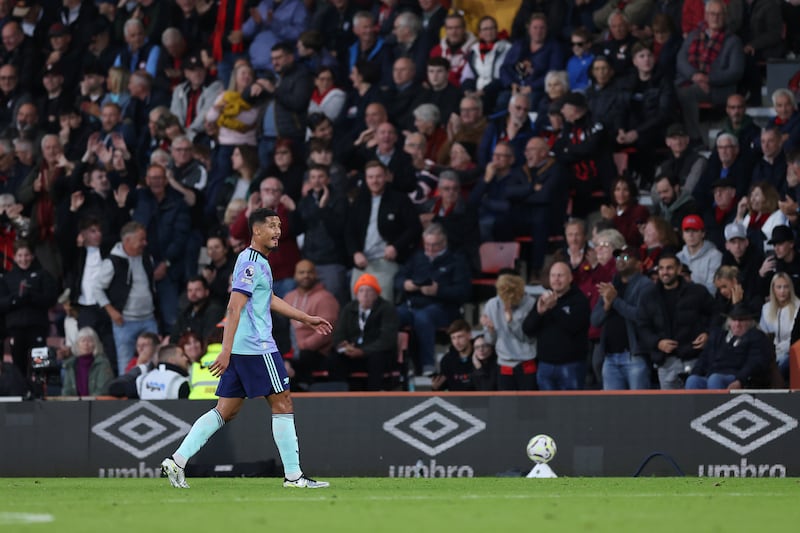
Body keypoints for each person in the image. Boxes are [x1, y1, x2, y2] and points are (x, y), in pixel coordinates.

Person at [161, 207, 332, 490]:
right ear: (257, 231)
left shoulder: (255, 261)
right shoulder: (251, 263)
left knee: (225, 411)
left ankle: (177, 460)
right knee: (283, 402)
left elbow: (268, 299)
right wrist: (225, 351)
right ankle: (293, 476)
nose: (278, 231)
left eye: (279, 226)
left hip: (244, 349)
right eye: (272, 226)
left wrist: (305, 318)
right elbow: (234, 305)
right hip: (257, 347)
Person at [395, 224, 472, 375]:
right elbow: (398, 278)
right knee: (391, 315)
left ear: (444, 243)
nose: (430, 249)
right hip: (412, 305)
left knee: (423, 317)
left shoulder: (456, 260)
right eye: (427, 244)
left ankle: (428, 365)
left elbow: (464, 292)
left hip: (442, 308)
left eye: (434, 245)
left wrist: (439, 291)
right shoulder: (417, 257)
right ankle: (396, 365)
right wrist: (406, 284)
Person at [638, 251, 714, 389]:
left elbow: (716, 316)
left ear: (679, 270)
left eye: (669, 268)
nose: (665, 272)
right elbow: (642, 327)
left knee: (697, 407)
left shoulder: (697, 292)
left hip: (694, 359)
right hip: (665, 362)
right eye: (661, 268)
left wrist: (708, 334)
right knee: (670, 409)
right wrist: (658, 343)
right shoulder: (648, 296)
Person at [92, 221, 159, 376]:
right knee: (125, 363)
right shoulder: (112, 262)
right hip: (124, 321)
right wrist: (111, 311)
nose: (145, 243)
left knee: (155, 361)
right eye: (141, 239)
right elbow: (97, 289)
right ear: (127, 241)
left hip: (149, 318)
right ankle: (127, 397)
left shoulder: (146, 258)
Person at [675, 0, 745, 147]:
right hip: (694, 81)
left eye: (719, 14)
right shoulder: (694, 35)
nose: (715, 17)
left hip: (720, 89)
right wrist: (695, 76)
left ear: (725, 16)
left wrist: (708, 80)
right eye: (712, 14)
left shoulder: (733, 41)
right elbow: (681, 59)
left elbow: (735, 72)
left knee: (686, 93)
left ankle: (695, 138)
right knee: (673, 92)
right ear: (706, 15)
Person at [522, 261, 591, 390]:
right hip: (545, 366)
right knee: (548, 409)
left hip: (571, 366)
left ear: (570, 278)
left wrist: (554, 308)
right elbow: (527, 329)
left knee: (570, 408)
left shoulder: (579, 300)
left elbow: (574, 327)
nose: (556, 279)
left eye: (560, 275)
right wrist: (539, 313)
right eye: (553, 276)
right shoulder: (544, 300)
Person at [591, 246, 652, 390]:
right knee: (613, 409)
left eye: (626, 257)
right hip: (610, 358)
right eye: (618, 257)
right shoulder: (611, 286)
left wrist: (615, 301)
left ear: (638, 264)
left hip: (634, 356)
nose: (620, 261)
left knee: (639, 407)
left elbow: (640, 316)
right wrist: (606, 306)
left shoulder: (646, 285)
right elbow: (595, 321)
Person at [330, 273, 399, 390]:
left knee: (377, 358)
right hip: (353, 351)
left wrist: (363, 351)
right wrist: (343, 345)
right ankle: (339, 394)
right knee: (334, 358)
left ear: (377, 294)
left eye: (370, 291)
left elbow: (387, 339)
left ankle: (373, 395)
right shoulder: (349, 309)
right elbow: (339, 333)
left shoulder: (387, 309)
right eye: (361, 291)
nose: (365, 295)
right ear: (356, 294)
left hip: (376, 352)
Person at [0, 239, 58, 378]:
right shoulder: (8, 278)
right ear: (14, 257)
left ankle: (40, 392)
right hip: (16, 328)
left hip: (37, 327)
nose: (23, 259)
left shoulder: (42, 274)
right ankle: (21, 392)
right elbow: (2, 303)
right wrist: (16, 299)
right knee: (18, 365)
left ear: (32, 256)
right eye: (20, 255)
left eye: (26, 255)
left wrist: (31, 295)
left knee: (40, 364)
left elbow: (50, 299)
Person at [685, 303, 771, 389]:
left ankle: (716, 402)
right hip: (712, 375)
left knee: (715, 379)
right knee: (693, 380)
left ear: (750, 322)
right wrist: (694, 373)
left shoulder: (756, 336)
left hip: (737, 377)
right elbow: (703, 359)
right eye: (734, 319)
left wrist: (740, 380)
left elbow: (754, 363)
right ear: (729, 322)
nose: (737, 324)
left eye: (741, 320)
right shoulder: (718, 336)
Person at [283, 260, 340, 388]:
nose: (305, 276)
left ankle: (303, 389)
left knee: (304, 355)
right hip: (290, 351)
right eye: (301, 272)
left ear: (316, 274)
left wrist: (302, 346)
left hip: (315, 353)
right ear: (294, 275)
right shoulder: (288, 297)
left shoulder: (325, 297)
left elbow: (326, 331)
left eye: (309, 272)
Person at [480, 272, 538, 391]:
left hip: (526, 361)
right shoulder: (491, 305)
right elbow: (490, 341)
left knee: (529, 405)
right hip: (505, 362)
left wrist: (511, 322)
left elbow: (529, 338)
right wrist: (491, 330)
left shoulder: (531, 303)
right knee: (507, 405)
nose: (508, 303)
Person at [760, 272, 798, 385]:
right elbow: (763, 334)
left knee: (781, 364)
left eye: (786, 287)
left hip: (791, 352)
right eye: (779, 287)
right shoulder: (766, 308)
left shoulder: (798, 307)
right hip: (771, 353)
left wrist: (780, 350)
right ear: (773, 289)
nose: (782, 291)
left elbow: (796, 337)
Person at [60, 327, 114, 397]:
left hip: (96, 404)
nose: (86, 344)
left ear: (95, 344)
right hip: (75, 405)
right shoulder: (70, 364)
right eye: (83, 341)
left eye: (90, 341)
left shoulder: (103, 363)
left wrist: (87, 402)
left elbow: (103, 390)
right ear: (77, 344)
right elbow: (67, 390)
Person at [170, 277, 226, 344]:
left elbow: (209, 337)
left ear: (206, 292)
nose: (193, 294)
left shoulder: (214, 311)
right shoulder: (185, 312)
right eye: (190, 290)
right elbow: (174, 337)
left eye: (197, 290)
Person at [677, 214, 723, 295]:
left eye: (694, 230)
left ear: (703, 233)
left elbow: (712, 290)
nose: (691, 235)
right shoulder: (678, 257)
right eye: (687, 231)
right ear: (683, 235)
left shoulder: (715, 256)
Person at [431, 319, 476, 391]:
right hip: (455, 401)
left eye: (460, 337)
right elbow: (444, 386)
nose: (457, 342)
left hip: (479, 400)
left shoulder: (481, 355)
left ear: (469, 335)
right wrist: (435, 387)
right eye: (453, 338)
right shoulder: (447, 360)